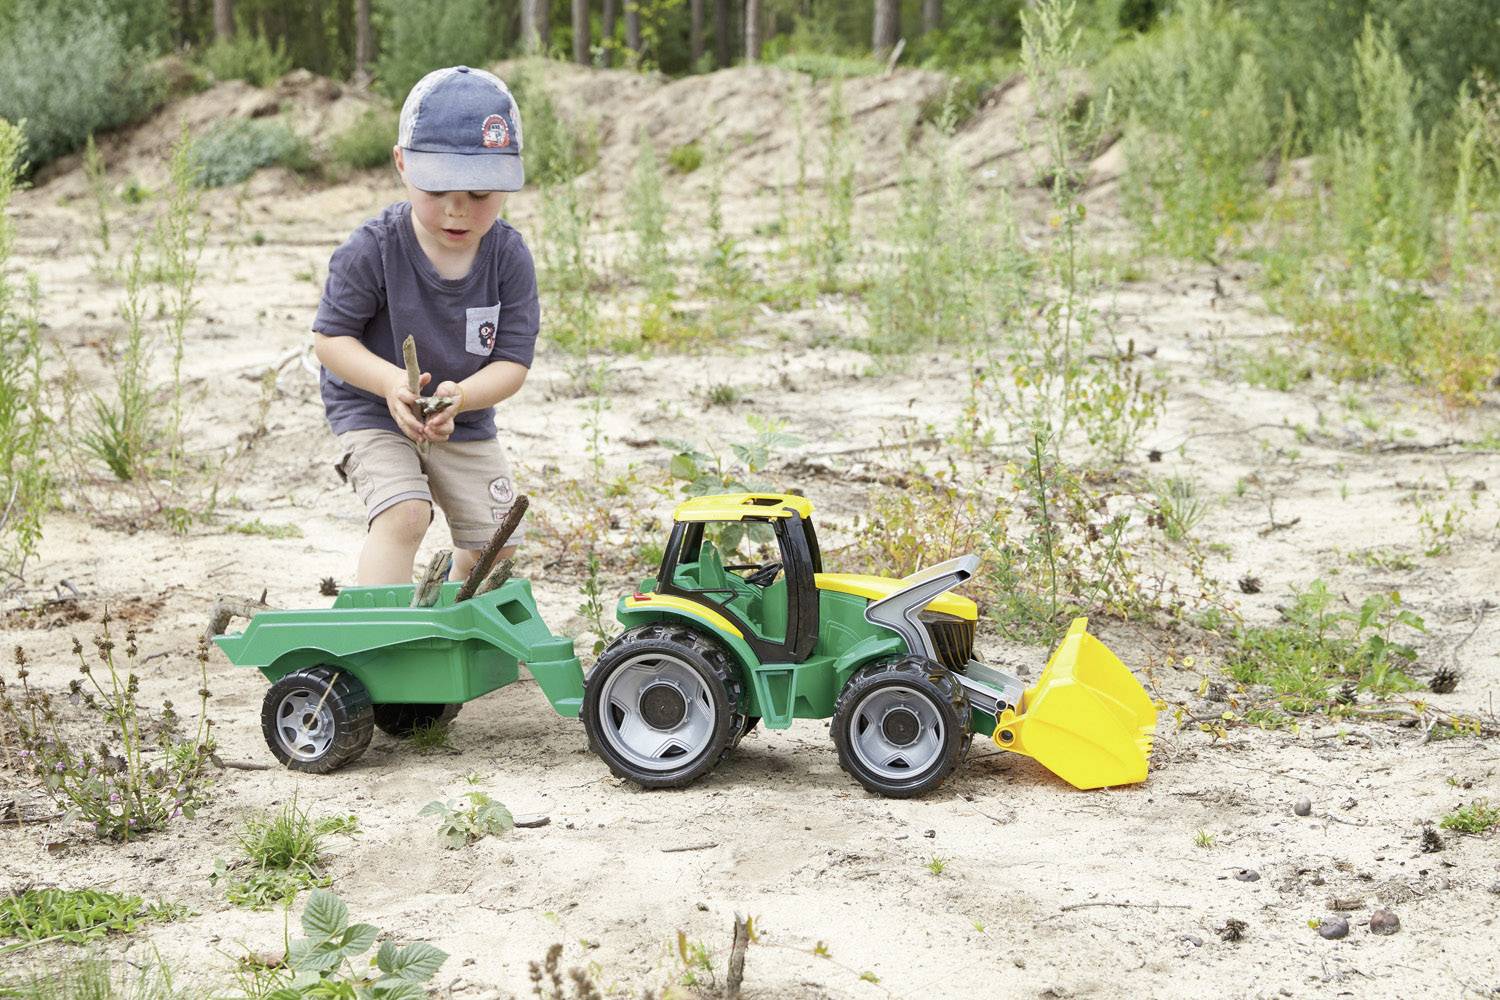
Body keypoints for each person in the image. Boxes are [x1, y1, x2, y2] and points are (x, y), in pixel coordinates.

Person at [312, 66, 537, 586]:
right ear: (401, 164)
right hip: (372, 408)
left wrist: (463, 396)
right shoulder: (372, 249)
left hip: (464, 414)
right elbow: (331, 339)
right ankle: (381, 643)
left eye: (480, 194)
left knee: (495, 541)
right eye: (438, 190)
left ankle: (450, 621)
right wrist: (392, 383)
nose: (457, 210)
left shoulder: (509, 258)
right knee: (405, 514)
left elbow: (511, 362)